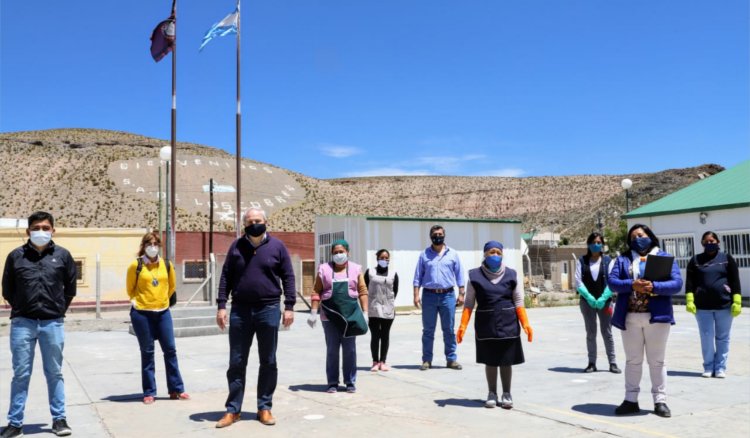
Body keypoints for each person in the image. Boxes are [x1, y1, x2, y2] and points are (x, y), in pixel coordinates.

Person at [215, 208, 296, 428]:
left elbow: (288, 276)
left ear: (266, 222)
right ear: (244, 224)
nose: (254, 224)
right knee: (236, 361)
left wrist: (289, 306)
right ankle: (233, 410)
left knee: (268, 360)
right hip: (240, 310)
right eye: (249, 221)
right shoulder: (237, 246)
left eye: (257, 220)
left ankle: (264, 408)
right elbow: (225, 277)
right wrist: (221, 305)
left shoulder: (277, 247)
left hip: (268, 309)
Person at [1, 211, 76, 437]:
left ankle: (59, 419)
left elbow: (70, 289)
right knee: (21, 373)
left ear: (53, 230)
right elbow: (7, 289)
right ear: (28, 231)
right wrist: (23, 308)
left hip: (52, 324)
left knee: (54, 372)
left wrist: (56, 310)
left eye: (45, 227)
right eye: (36, 228)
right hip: (23, 323)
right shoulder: (15, 256)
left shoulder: (63, 256)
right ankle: (15, 422)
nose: (40, 232)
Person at [608, 224, 682, 418]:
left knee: (657, 361)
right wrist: (632, 284)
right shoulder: (623, 259)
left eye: (640, 235)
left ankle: (660, 401)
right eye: (632, 237)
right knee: (633, 361)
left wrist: (653, 286)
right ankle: (631, 400)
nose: (637, 239)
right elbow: (612, 282)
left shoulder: (664, 258)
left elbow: (676, 284)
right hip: (631, 317)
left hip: (657, 317)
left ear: (649, 235)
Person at [456, 241, 533, 409]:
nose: (495, 255)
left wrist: (525, 323)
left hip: (508, 322)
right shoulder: (474, 276)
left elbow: (518, 300)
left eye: (498, 252)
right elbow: (469, 303)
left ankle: (507, 393)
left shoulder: (512, 274)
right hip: (486, 324)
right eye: (491, 252)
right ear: (485, 254)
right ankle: (491, 393)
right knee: (490, 360)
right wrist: (462, 325)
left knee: (506, 360)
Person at [125, 231, 188, 405]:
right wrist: (140, 302)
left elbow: (171, 287)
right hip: (142, 314)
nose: (152, 247)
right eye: (149, 244)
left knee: (170, 350)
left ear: (159, 246)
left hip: (163, 313)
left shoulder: (166, 265)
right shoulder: (135, 266)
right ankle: (149, 391)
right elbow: (130, 288)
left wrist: (161, 301)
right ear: (143, 246)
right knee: (147, 352)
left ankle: (176, 389)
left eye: (155, 244)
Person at [307, 239, 368, 393]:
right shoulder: (324, 269)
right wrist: (314, 312)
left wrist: (365, 312)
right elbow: (316, 291)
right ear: (331, 254)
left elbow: (363, 291)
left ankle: (350, 382)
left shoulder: (355, 269)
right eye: (335, 252)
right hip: (330, 317)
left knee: (350, 350)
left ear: (348, 252)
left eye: (342, 252)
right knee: (332, 350)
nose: (339, 255)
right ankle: (332, 382)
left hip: (350, 317)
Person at [685, 231, 742, 378]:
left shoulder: (727, 259)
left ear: (718, 242)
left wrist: (737, 300)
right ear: (702, 243)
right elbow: (690, 282)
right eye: (706, 241)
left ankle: (721, 367)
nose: (710, 243)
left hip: (724, 305)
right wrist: (690, 299)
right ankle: (709, 367)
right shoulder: (695, 260)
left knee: (723, 337)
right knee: (706, 336)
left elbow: (735, 280)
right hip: (702, 306)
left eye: (712, 241)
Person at [413, 225, 465, 371]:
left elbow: (460, 275)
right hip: (429, 295)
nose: (438, 236)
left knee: (448, 329)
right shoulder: (424, 255)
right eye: (435, 234)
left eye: (440, 234)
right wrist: (416, 294)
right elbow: (418, 276)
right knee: (428, 330)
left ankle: (451, 359)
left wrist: (461, 293)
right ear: (431, 236)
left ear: (444, 236)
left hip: (447, 295)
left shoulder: (453, 254)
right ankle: (427, 360)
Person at [575, 232, 620, 374]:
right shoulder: (581, 261)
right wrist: (588, 297)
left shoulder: (608, 261)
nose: (596, 245)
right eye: (594, 242)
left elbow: (612, 281)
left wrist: (603, 297)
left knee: (607, 332)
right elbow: (577, 281)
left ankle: (612, 363)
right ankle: (591, 363)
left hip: (605, 303)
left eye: (599, 242)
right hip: (587, 302)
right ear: (588, 244)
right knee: (590, 332)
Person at [364, 249, 399, 372]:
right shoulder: (370, 272)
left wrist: (388, 303)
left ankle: (383, 361)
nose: (384, 260)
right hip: (373, 309)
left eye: (386, 258)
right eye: (382, 257)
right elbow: (364, 289)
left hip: (388, 309)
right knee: (375, 335)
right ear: (377, 258)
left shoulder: (393, 274)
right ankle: (375, 361)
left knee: (385, 335)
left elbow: (395, 290)